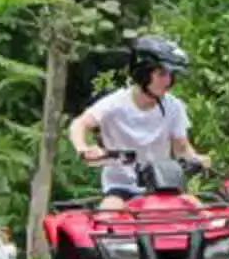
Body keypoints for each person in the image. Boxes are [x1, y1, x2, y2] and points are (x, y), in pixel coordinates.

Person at [69, 36, 211, 209]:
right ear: (143, 73)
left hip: (163, 185)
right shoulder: (114, 104)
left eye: (171, 75)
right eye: (161, 74)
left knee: (199, 211)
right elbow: (79, 124)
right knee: (109, 213)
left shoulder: (174, 106)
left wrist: (196, 159)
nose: (168, 81)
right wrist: (83, 149)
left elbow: (181, 148)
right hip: (121, 187)